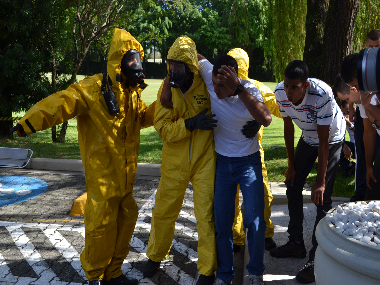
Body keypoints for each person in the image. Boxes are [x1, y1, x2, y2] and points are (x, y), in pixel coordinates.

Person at [10, 28, 155, 285]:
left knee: (125, 222)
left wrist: (165, 103)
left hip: (126, 181)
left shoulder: (132, 94)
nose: (136, 65)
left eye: (138, 60)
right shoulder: (94, 88)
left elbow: (143, 118)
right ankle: (95, 275)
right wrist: (28, 123)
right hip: (103, 178)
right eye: (131, 60)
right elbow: (61, 102)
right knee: (101, 225)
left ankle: (113, 273)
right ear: (118, 61)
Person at [143, 36, 218, 285]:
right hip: (174, 162)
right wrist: (189, 124)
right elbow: (162, 128)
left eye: (179, 65)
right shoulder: (167, 90)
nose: (174, 70)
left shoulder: (206, 85)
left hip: (203, 159)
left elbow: (228, 99)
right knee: (163, 211)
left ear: (190, 67)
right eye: (170, 64)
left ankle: (207, 269)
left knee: (205, 215)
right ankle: (155, 256)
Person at [196, 54, 271, 285]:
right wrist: (168, 85)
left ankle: (256, 273)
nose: (216, 89)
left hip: (248, 162)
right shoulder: (212, 76)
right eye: (215, 83)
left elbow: (266, 118)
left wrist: (238, 89)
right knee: (222, 222)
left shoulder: (248, 91)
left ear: (235, 81)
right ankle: (225, 275)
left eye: (222, 85)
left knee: (255, 221)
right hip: (222, 162)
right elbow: (191, 55)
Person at [270, 60, 345, 284]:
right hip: (308, 137)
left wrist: (320, 181)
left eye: (294, 87)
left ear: (305, 86)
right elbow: (288, 126)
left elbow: (323, 141)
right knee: (292, 185)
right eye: (286, 85)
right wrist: (291, 166)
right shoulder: (280, 92)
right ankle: (296, 244)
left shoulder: (322, 94)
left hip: (331, 139)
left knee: (322, 198)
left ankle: (315, 259)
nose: (289, 92)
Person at [227, 48, 281, 253]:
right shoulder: (221, 85)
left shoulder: (255, 87)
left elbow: (279, 107)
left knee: (263, 195)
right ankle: (237, 237)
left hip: (252, 152)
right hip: (230, 151)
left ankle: (264, 233)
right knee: (235, 198)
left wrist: (260, 122)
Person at [339, 54, 380, 200]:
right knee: (373, 193)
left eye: (356, 85)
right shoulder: (365, 95)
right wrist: (369, 166)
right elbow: (369, 132)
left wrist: (370, 108)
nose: (357, 89)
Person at [339, 100, 356, 178]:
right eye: (344, 112)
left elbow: (360, 135)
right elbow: (340, 135)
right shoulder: (342, 118)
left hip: (362, 145)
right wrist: (344, 145)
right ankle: (349, 166)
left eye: (348, 112)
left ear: (354, 108)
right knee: (335, 145)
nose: (346, 114)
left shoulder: (359, 115)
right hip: (353, 144)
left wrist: (349, 124)